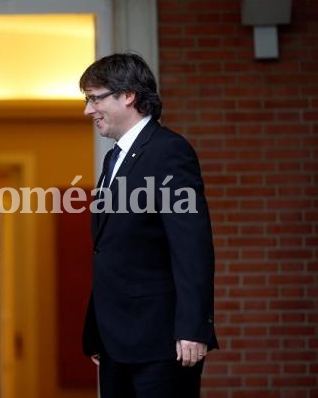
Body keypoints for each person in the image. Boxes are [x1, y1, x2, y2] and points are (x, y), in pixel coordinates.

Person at [80, 53, 218, 397]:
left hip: (160, 341)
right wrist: (97, 330)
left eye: (95, 98)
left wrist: (193, 328)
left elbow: (192, 247)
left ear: (128, 95)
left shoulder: (169, 151)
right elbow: (110, 248)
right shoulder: (115, 156)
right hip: (116, 341)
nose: (88, 110)